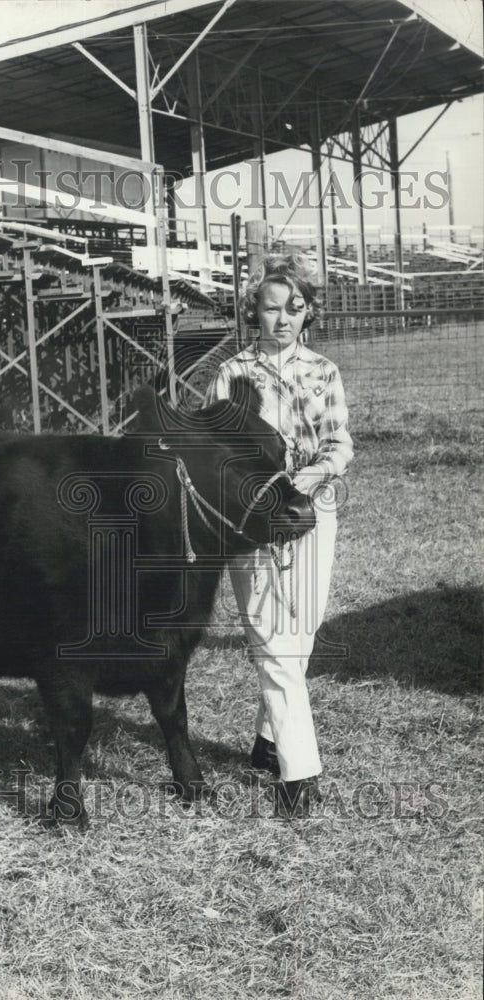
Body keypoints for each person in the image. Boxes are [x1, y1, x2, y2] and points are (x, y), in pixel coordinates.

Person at [206, 252, 353, 818]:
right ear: (254, 313)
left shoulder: (324, 371)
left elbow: (340, 444)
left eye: (294, 308)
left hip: (313, 514)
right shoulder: (231, 374)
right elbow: (214, 455)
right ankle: (299, 773)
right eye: (271, 309)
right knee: (275, 643)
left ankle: (268, 740)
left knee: (303, 638)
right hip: (252, 523)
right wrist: (256, 490)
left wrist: (302, 481)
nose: (283, 318)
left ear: (307, 313)